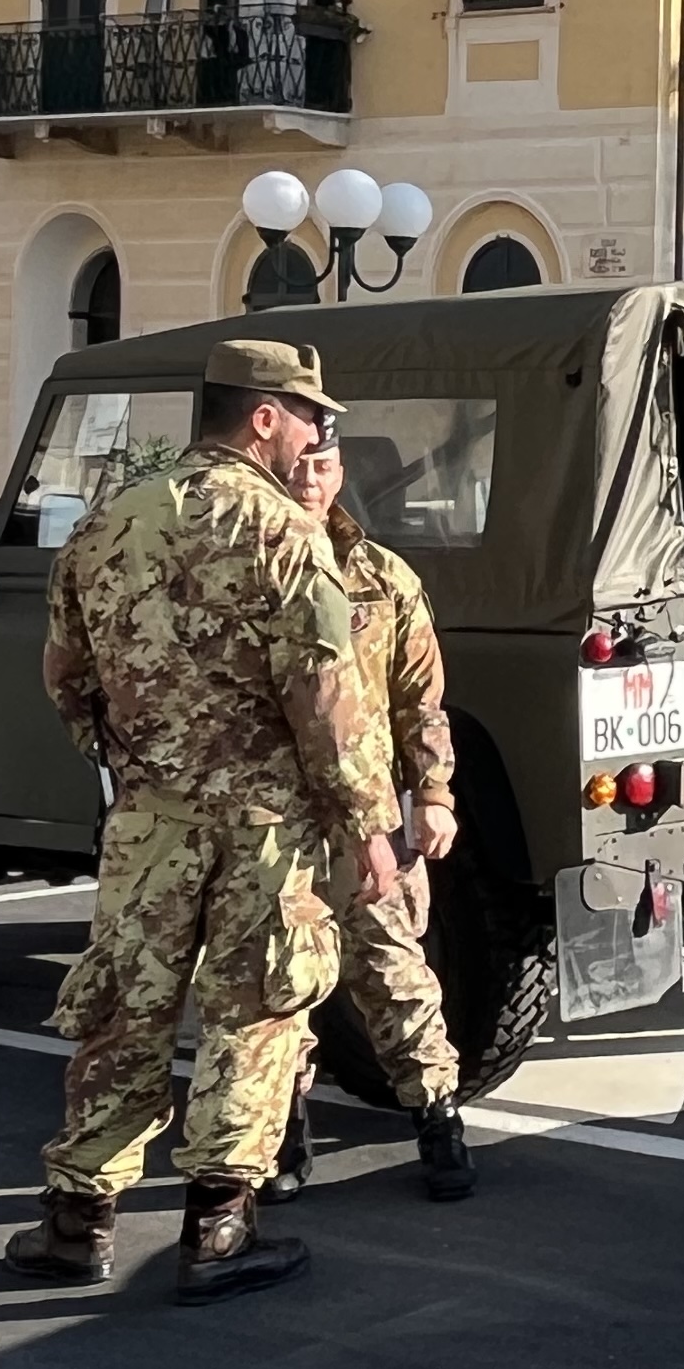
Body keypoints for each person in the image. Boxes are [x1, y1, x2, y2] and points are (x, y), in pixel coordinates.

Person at [3, 342, 400, 1303]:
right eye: (311, 417)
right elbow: (326, 698)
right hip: (265, 826)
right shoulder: (284, 535)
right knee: (254, 1017)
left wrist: (136, 761)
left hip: (149, 821)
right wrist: (367, 825)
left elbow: (68, 674)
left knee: (122, 1013)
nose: (318, 436)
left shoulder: (109, 520)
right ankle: (221, 1230)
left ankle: (76, 1222)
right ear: (263, 417)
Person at [263, 426, 477, 1205]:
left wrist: (436, 794)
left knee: (393, 973)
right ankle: (284, 1138)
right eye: (297, 467)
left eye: (322, 466)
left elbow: (420, 699)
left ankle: (439, 1124)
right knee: (280, 980)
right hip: (274, 819)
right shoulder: (251, 571)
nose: (310, 480)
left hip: (368, 821)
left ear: (341, 471)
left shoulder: (383, 579)